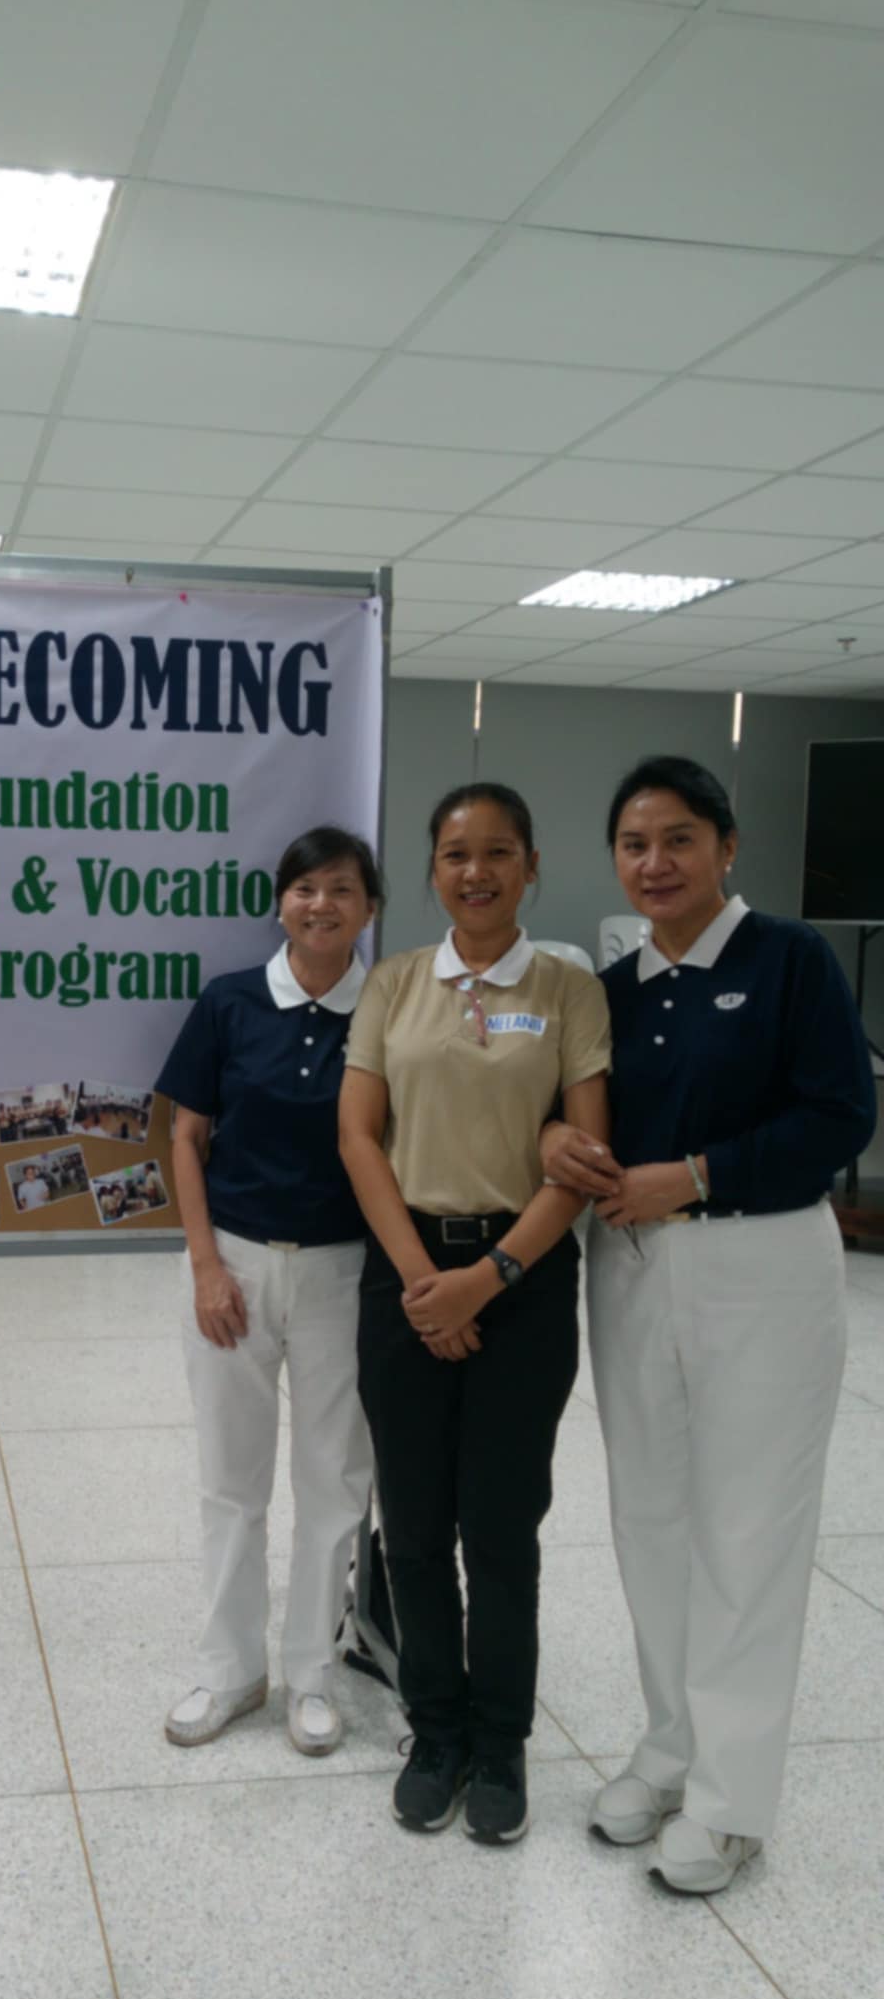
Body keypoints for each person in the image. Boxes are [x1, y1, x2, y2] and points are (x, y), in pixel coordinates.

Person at [542, 755, 874, 1895]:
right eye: (634, 844)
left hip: (760, 1268)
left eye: (678, 838)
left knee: (749, 1531)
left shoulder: (790, 960)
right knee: (654, 1520)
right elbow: (569, 1108)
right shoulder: (617, 987)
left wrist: (694, 1173)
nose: (655, 863)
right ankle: (669, 1746)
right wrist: (557, 1146)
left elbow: (840, 1112)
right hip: (632, 1271)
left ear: (727, 846)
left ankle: (732, 1800)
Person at [340, 783, 611, 1845]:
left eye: (499, 852)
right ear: (434, 868)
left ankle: (500, 1742)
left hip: (525, 1279)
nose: (477, 871)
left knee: (500, 1527)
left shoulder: (566, 989)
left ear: (531, 865)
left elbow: (582, 1157)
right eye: (456, 853)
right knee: (412, 1525)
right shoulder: (396, 983)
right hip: (405, 1269)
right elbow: (362, 1138)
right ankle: (434, 1729)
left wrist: (484, 1278)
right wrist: (423, 1284)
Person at [157, 824, 381, 1759]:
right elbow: (183, 1136)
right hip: (235, 1265)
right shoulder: (231, 1002)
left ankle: (313, 1677)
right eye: (304, 888)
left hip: (345, 1270)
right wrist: (206, 1264)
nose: (320, 905)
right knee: (230, 1478)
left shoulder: (391, 1009)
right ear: (280, 901)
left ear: (368, 909)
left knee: (334, 1480)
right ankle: (230, 1669)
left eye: (341, 890)